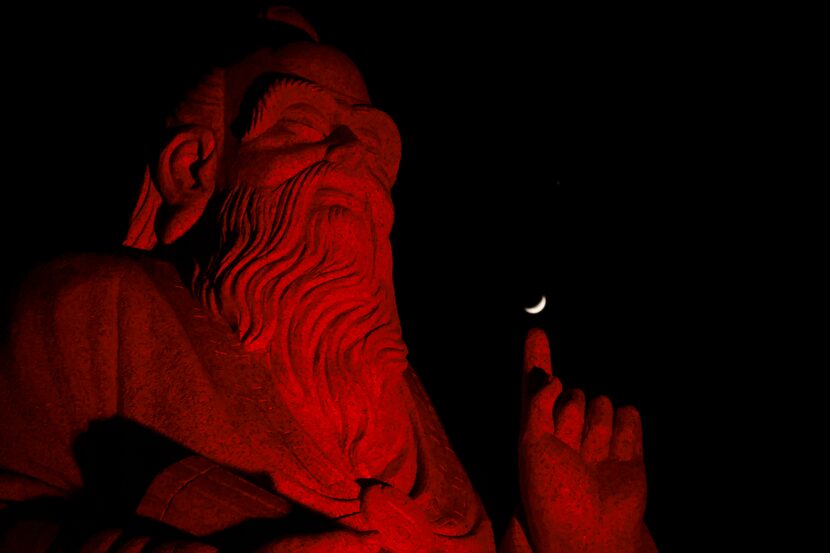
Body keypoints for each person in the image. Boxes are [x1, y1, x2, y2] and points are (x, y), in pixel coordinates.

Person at [0, 8, 656, 553]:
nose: (349, 158)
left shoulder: (407, 412)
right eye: (300, 127)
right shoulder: (93, 310)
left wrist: (589, 544)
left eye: (370, 146)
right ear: (194, 165)